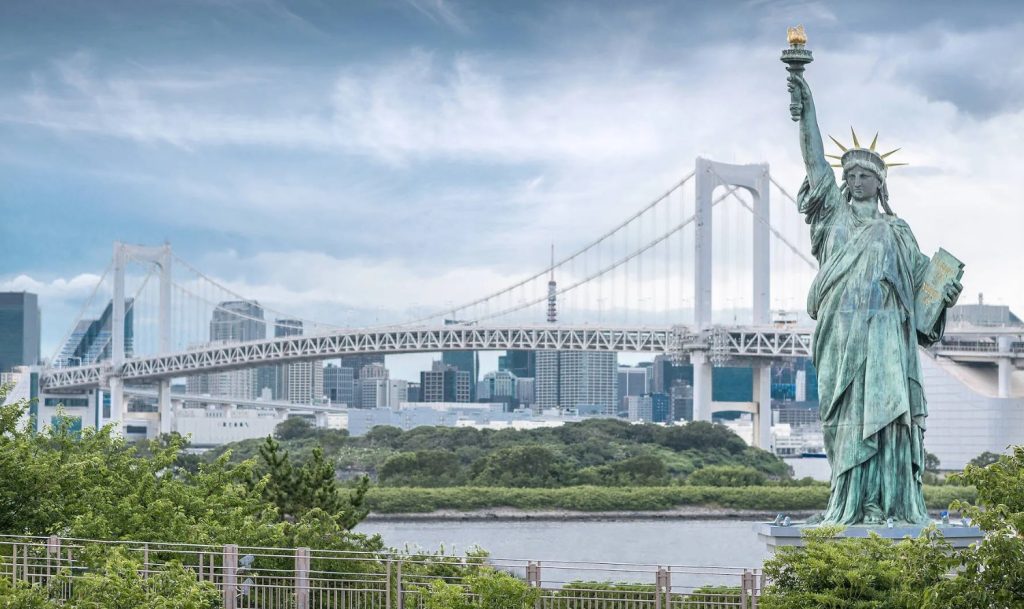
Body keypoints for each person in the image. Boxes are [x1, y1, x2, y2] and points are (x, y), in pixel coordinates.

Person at [787, 73, 962, 525]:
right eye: (852, 175)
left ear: (881, 183)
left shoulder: (897, 231)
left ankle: (889, 502)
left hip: (887, 335)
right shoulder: (832, 217)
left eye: (867, 175)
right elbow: (813, 164)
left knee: (890, 421)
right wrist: (805, 105)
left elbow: (925, 294)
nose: (858, 180)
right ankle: (850, 501)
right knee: (845, 420)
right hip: (843, 335)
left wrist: (946, 294)